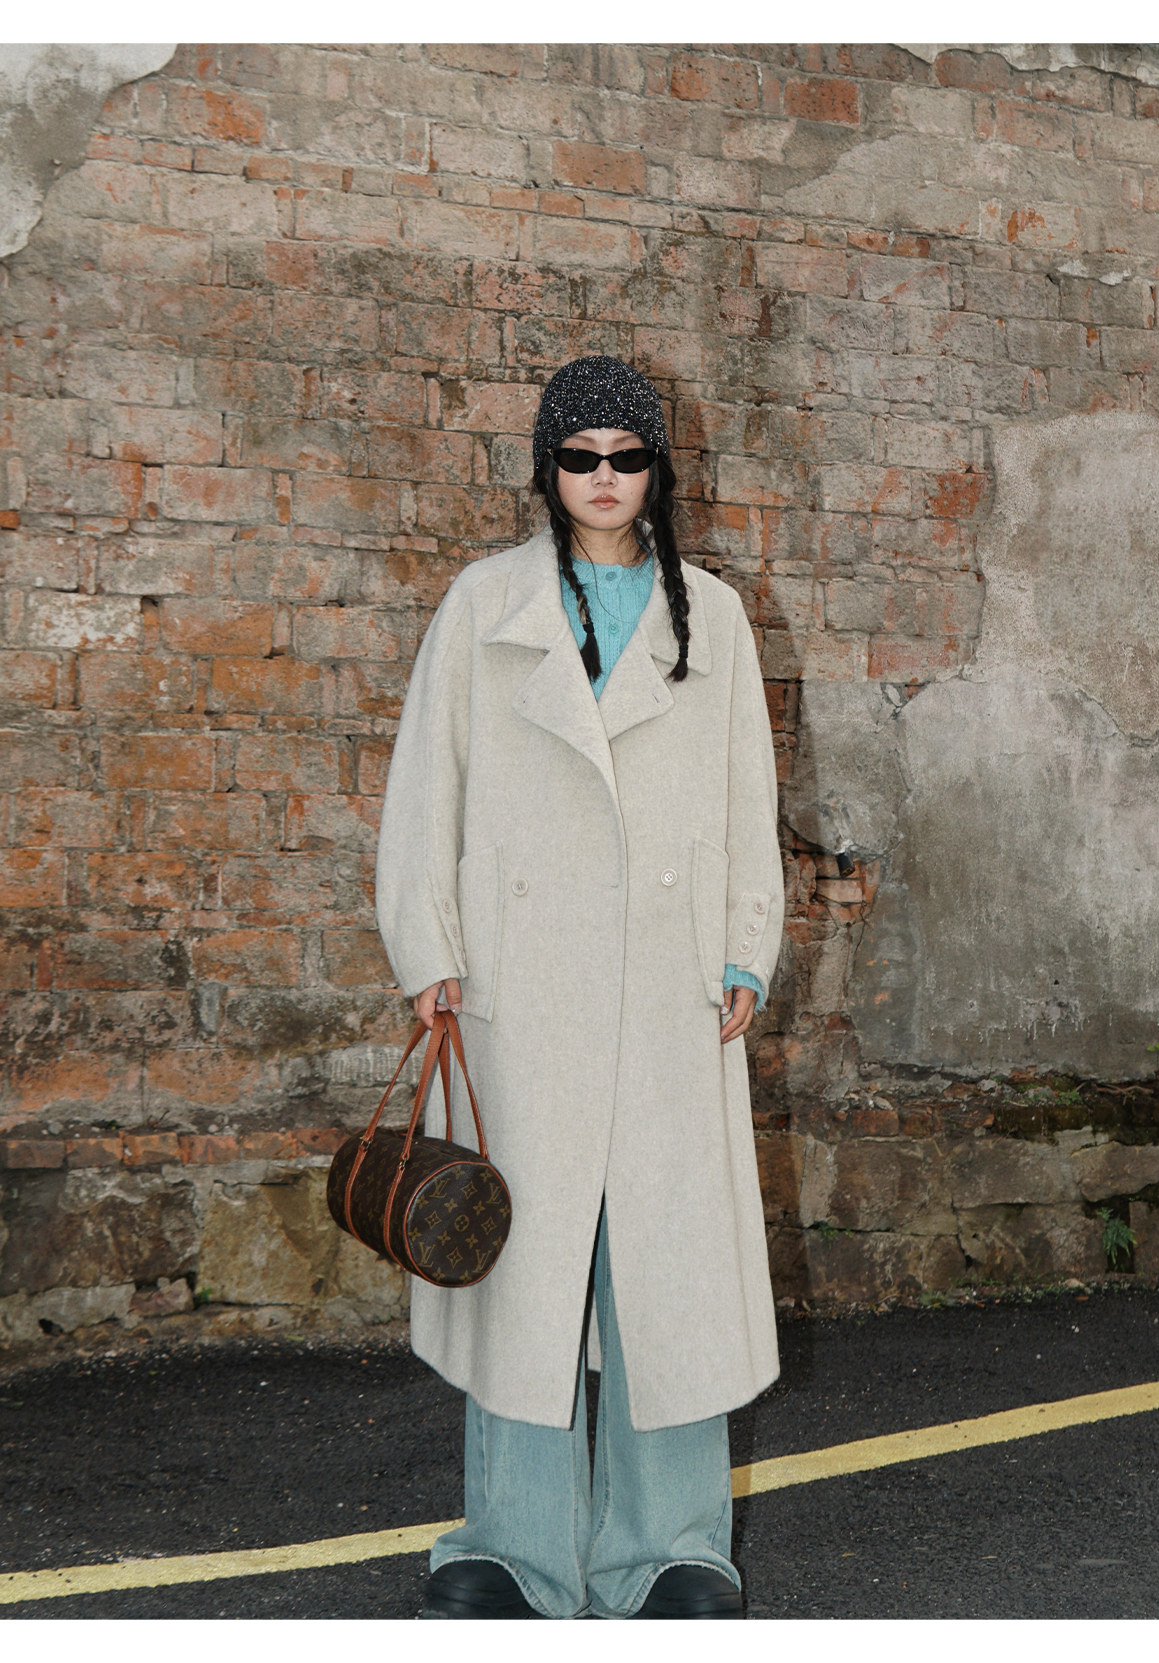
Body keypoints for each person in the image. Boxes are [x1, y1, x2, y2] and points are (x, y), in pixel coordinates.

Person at [374, 355, 785, 1619]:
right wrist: (428, 947)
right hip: (525, 978)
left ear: (658, 469)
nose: (604, 478)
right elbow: (426, 785)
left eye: (628, 455)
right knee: (526, 1264)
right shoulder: (484, 602)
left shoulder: (713, 617)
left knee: (667, 1267)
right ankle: (512, 1545)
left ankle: (671, 1548)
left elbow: (746, 797)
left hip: (670, 982)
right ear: (548, 468)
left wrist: (744, 947)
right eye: (580, 456)